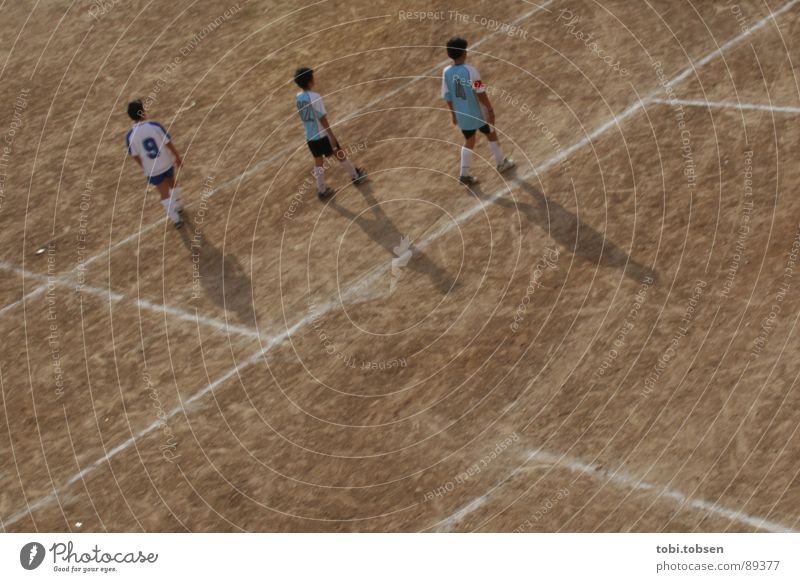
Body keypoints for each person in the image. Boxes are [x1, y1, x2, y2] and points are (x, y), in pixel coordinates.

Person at [441, 37, 515, 185]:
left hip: (463, 116)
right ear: (464, 53)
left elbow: (447, 95)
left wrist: (453, 115)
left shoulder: (446, 72)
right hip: (478, 112)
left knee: (469, 140)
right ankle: (501, 162)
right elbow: (480, 92)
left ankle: (464, 174)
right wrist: (490, 109)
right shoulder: (471, 71)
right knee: (490, 133)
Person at [294, 67, 367, 200]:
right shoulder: (315, 97)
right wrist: (331, 135)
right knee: (339, 153)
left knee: (318, 161)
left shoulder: (298, 97)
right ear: (310, 81)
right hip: (322, 135)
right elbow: (322, 118)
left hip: (310, 137)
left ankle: (321, 190)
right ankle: (356, 176)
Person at [125, 99, 185, 228]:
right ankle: (179, 206)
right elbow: (168, 142)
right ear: (142, 112)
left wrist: (144, 166)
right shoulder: (154, 126)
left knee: (163, 193)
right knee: (173, 183)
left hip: (152, 170)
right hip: (166, 163)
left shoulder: (130, 135)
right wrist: (177, 157)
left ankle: (176, 219)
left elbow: (134, 155)